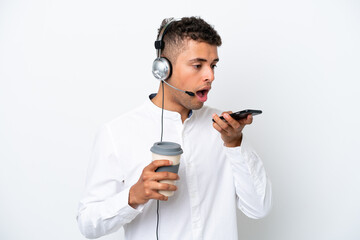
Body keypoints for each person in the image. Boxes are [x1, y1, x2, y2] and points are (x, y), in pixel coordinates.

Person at [77, 16, 272, 240]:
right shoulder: (117, 133)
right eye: (198, 65)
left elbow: (259, 208)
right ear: (163, 68)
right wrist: (133, 196)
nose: (210, 76)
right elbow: (87, 223)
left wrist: (235, 144)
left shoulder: (225, 129)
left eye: (213, 65)